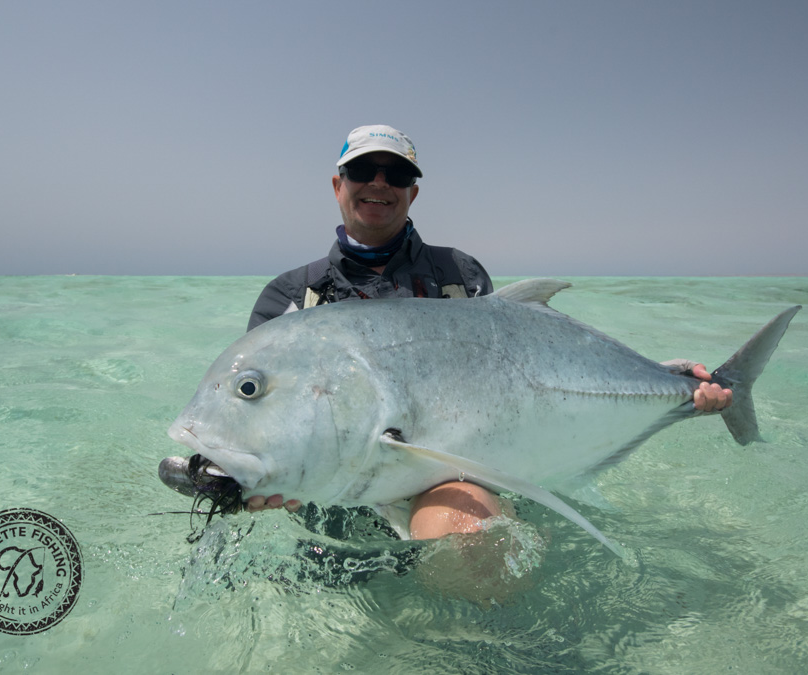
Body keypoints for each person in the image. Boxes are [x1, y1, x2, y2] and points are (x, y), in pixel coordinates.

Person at [242, 124, 732, 544]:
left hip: (447, 484)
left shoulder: (458, 272)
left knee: (466, 535)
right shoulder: (291, 296)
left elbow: (518, 378)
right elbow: (266, 417)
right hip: (333, 512)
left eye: (398, 174)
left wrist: (673, 382)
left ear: (414, 191)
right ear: (337, 184)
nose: (379, 184)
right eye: (362, 172)